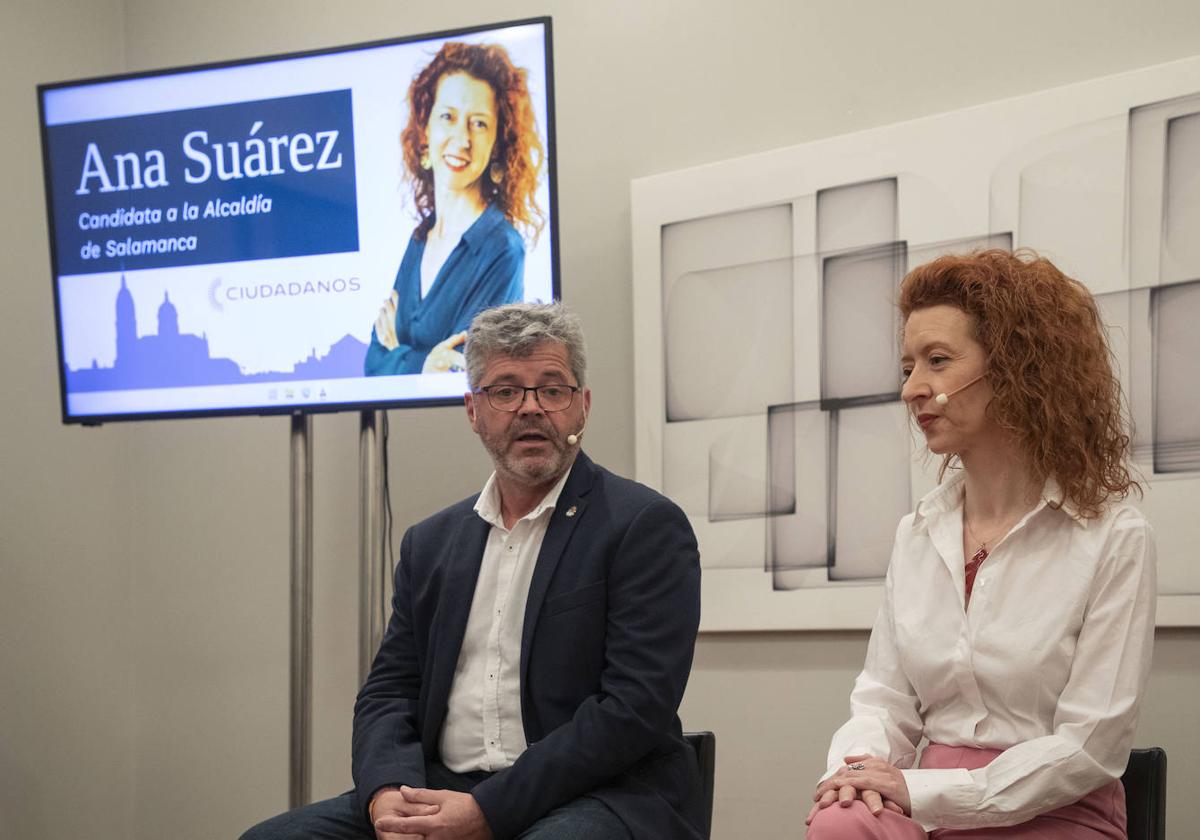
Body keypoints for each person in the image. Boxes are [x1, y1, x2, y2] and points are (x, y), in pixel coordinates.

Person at [245, 302, 705, 840]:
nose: (530, 408)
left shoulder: (643, 526)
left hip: (600, 793)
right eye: (505, 390)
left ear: (582, 407)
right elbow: (389, 692)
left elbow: (633, 709)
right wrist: (386, 794)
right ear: (472, 411)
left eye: (552, 389)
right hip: (442, 787)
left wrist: (489, 811)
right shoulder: (431, 543)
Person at [805, 250, 1156, 839]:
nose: (913, 389)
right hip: (925, 808)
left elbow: (1089, 748)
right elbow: (883, 699)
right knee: (841, 821)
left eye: (937, 362)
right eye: (908, 366)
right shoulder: (916, 532)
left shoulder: (1114, 537)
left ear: (1018, 369)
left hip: (1056, 811)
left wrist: (923, 791)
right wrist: (858, 773)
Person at [365, 42, 545, 377]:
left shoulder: (502, 250)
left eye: (478, 123)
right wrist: (421, 363)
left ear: (497, 142)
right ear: (426, 129)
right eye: (448, 117)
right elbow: (372, 364)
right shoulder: (420, 239)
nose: (461, 138)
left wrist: (398, 355)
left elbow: (459, 372)